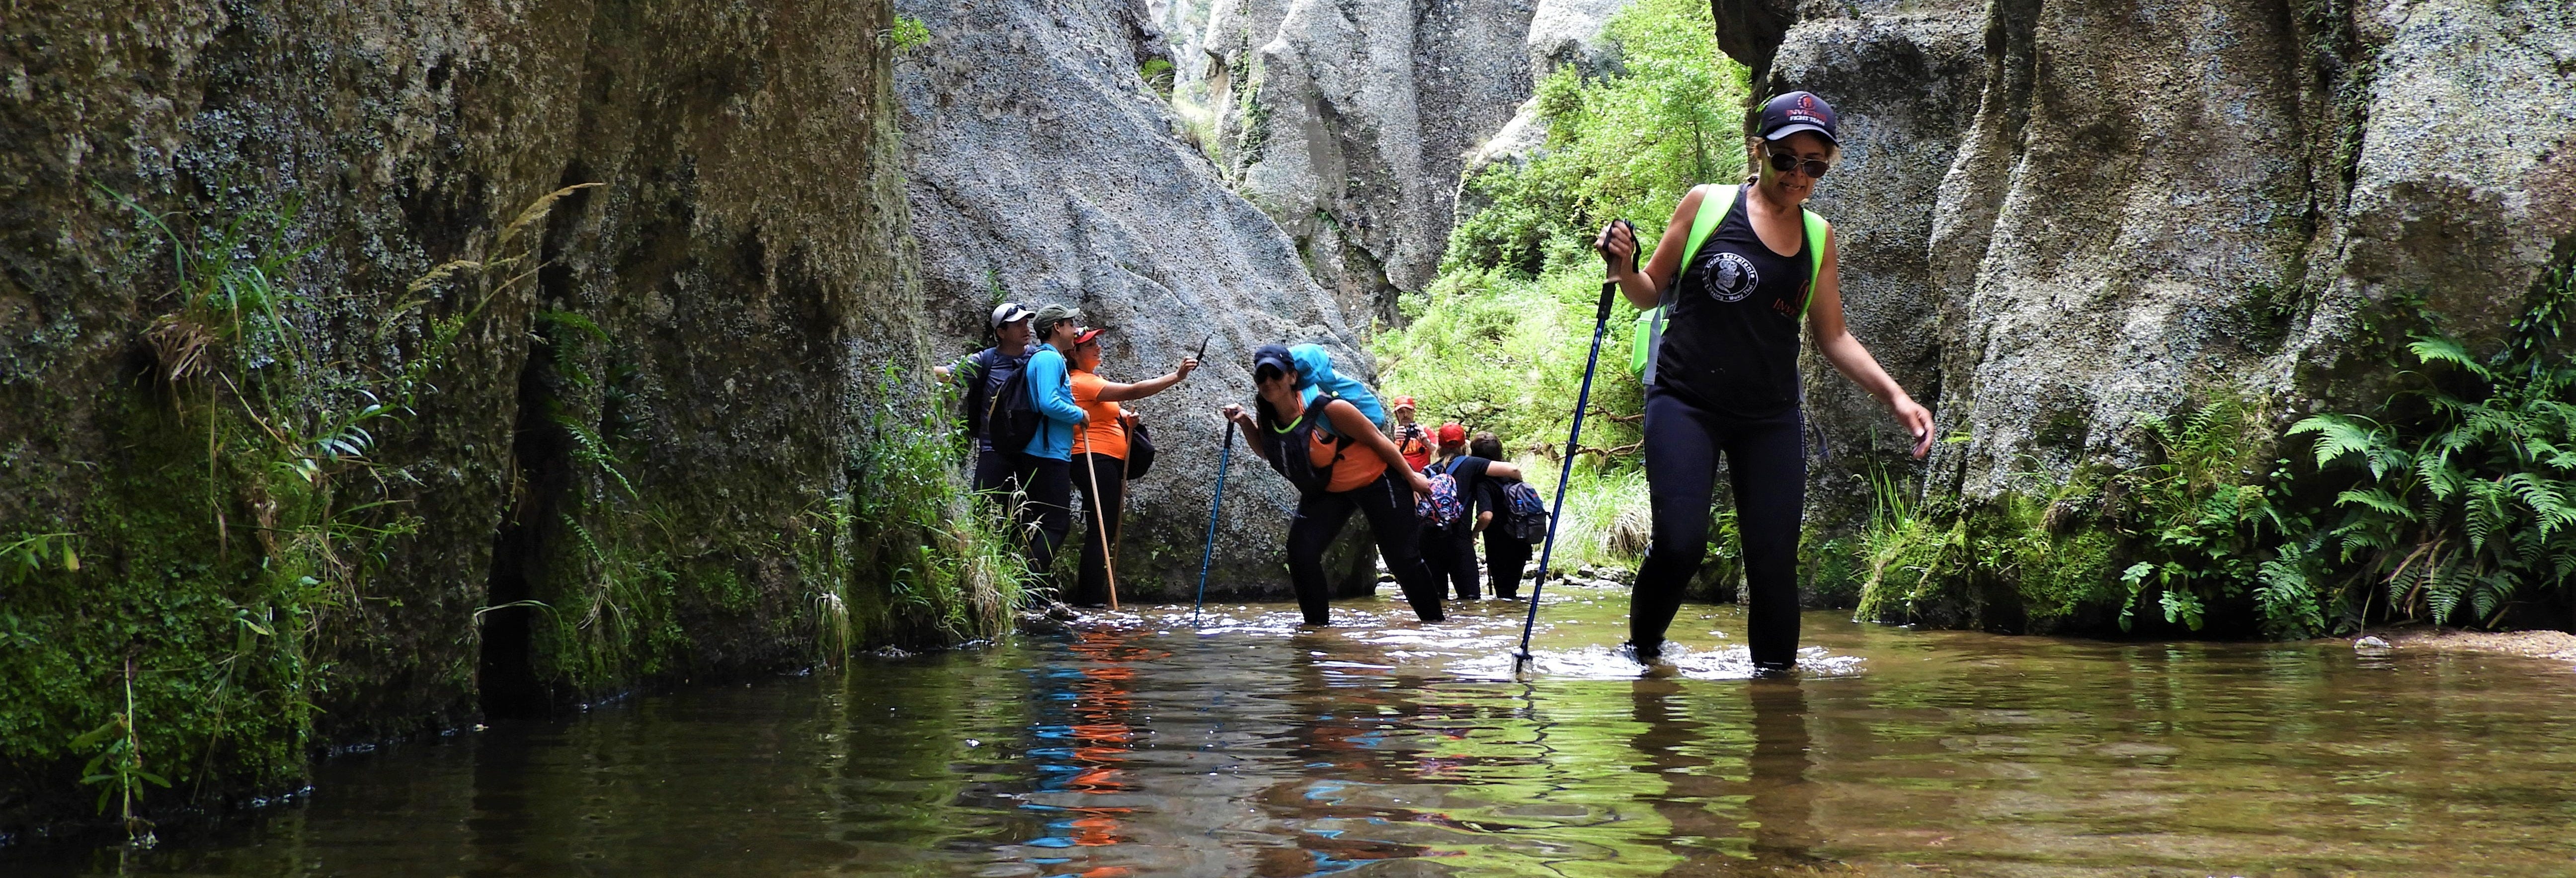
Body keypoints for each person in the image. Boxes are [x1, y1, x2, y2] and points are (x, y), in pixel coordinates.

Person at [1594, 90, 1932, 671]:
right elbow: (1649, 290)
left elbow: (1834, 337)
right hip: (1684, 401)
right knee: (1680, 544)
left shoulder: (1820, 237)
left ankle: (1777, 701)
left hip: (1769, 416)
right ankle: (1642, 653)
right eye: (1786, 158)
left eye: (1814, 165)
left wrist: (1897, 397)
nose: (1798, 175)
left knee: (1773, 562)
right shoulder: (1706, 206)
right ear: (1760, 151)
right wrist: (1622, 268)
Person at [1223, 344, 1445, 626]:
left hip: (1377, 480)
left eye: (1275, 375)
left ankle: (1435, 626)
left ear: (1292, 377)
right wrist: (1243, 421)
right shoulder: (1267, 416)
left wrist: (1412, 478)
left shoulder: (1330, 408)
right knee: (1301, 551)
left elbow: (1378, 440)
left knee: (1402, 559)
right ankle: (1316, 631)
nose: (1268, 382)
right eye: (1261, 377)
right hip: (1330, 490)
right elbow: (1267, 451)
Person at [1066, 327, 1199, 607]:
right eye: (1090, 345)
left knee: (1106, 527)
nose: (1098, 347)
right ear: (1074, 353)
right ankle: (1088, 599)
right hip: (1093, 459)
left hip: (1106, 460)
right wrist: (1176, 377)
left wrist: (1125, 416)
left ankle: (1092, 596)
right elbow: (1135, 390)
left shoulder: (1094, 380)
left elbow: (1110, 411)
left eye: (1097, 342)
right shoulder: (1080, 382)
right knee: (1101, 527)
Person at [1016, 304, 1091, 588]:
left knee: (1045, 524)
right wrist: (1079, 415)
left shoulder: (1047, 359)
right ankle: (1029, 588)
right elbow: (1048, 402)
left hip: (1047, 452)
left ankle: (1030, 589)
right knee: (1056, 524)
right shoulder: (1049, 359)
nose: (1076, 331)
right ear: (1057, 327)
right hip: (1046, 454)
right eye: (1071, 325)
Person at [937, 302, 1035, 494]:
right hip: (993, 450)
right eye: (1018, 325)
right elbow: (948, 374)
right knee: (983, 508)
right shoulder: (985, 360)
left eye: (1026, 323)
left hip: (1031, 452)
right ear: (1001, 332)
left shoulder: (1039, 358)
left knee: (1025, 517)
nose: (1026, 329)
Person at [1419, 423, 1523, 601]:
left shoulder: (1428, 472)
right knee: (1470, 600)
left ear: (1440, 446)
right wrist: (1518, 484)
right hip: (1459, 540)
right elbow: (1513, 470)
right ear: (1463, 446)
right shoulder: (1472, 464)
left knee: (1437, 601)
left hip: (1428, 540)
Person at [1469, 432, 1533, 600]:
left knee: (1504, 594)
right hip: (1521, 539)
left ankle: (1506, 620)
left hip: (1500, 545)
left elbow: (1486, 516)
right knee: (1511, 591)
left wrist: (1474, 532)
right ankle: (1515, 617)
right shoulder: (1513, 476)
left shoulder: (1484, 482)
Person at [1389, 397, 1433, 471]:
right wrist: (1391, 438)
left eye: (1409, 411)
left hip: (1423, 476)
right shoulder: (1390, 433)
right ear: (1396, 414)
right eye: (1401, 412)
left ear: (1414, 412)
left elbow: (1439, 455)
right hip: (1398, 477)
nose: (1406, 415)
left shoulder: (1425, 431)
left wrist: (1428, 443)